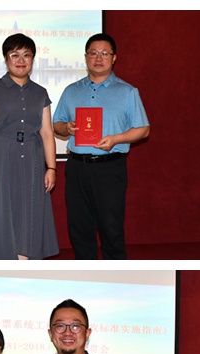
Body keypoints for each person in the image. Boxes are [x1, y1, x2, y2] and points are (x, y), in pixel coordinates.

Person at [53, 33, 150, 259]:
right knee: (79, 228)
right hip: (77, 167)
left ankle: (115, 274)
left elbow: (143, 129)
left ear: (114, 58)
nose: (99, 58)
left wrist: (116, 139)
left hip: (110, 168)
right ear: (86, 57)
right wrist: (66, 128)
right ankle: (86, 272)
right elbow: (56, 124)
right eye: (93, 53)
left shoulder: (127, 92)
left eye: (105, 53)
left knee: (111, 228)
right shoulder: (71, 90)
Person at [0, 33, 59, 260]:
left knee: (31, 209)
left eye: (26, 55)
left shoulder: (40, 93)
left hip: (33, 157)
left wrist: (51, 168)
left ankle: (25, 261)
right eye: (15, 55)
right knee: (2, 210)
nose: (21, 60)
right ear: (6, 59)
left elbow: (47, 132)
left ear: (33, 59)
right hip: (1, 158)